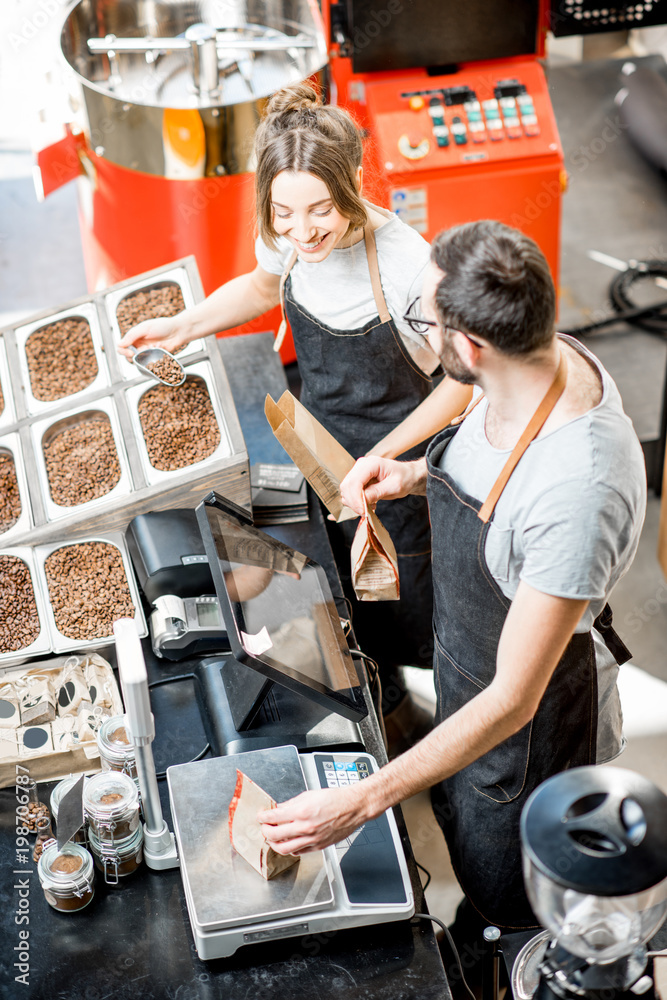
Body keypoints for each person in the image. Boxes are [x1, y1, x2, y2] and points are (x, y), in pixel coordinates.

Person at [256, 220, 647, 965]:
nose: (423, 334)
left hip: (529, 727)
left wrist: (361, 800)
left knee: (508, 894)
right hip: (468, 666)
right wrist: (412, 472)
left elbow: (513, 701)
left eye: (425, 323)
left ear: (469, 349)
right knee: (460, 814)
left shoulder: (578, 490)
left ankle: (495, 960)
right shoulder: (525, 363)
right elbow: (478, 424)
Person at [118, 83, 472, 746]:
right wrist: (184, 326)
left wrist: (381, 458)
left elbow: (461, 384)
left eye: (320, 210)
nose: (301, 231)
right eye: (283, 212)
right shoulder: (286, 234)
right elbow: (260, 284)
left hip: (389, 469)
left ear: (351, 184)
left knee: (399, 603)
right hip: (308, 439)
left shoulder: (406, 266)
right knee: (305, 584)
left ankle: (423, 722)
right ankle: (367, 699)